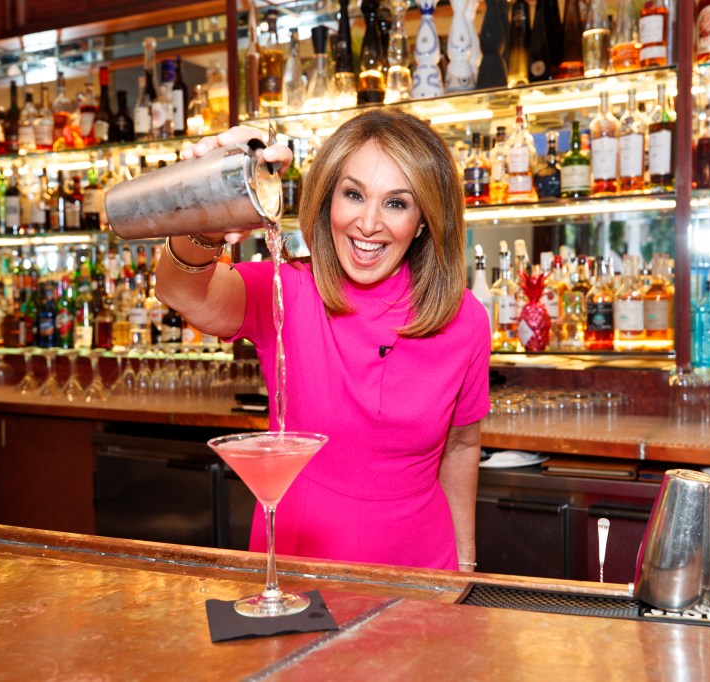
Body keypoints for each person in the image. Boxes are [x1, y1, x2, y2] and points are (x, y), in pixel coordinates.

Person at [155, 109, 490, 571]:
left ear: (425, 221)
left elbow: (461, 446)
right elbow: (178, 290)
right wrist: (207, 211)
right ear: (329, 199)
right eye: (353, 194)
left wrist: (466, 566)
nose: (368, 223)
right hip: (296, 567)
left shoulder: (465, 319)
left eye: (397, 203)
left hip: (421, 571)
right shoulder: (288, 291)